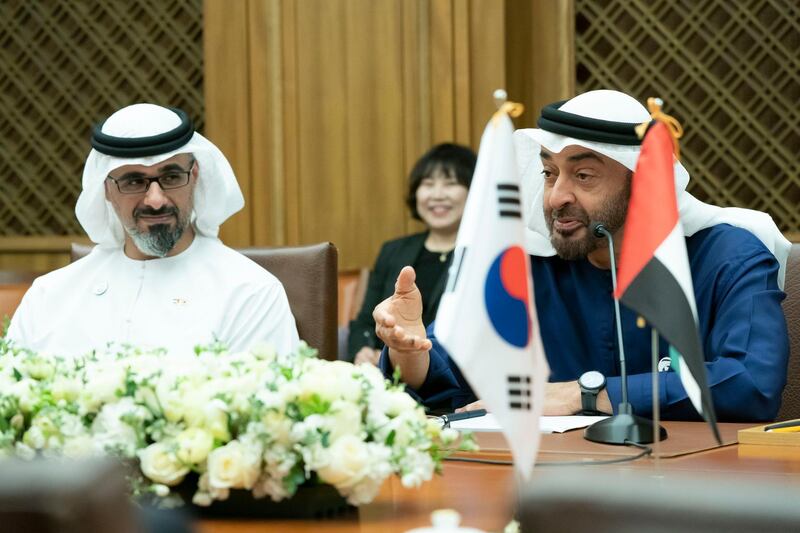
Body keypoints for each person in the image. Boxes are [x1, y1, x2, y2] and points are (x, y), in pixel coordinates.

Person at [374, 90, 790, 422]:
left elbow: (750, 383)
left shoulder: (726, 256)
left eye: (583, 175)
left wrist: (582, 393)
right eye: (549, 173)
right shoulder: (530, 266)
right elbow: (449, 376)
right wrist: (411, 352)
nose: (556, 197)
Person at [7, 104, 299, 356]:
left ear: (194, 176)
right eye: (134, 181)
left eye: (171, 176)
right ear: (106, 190)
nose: (156, 200)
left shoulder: (249, 292)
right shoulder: (50, 296)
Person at [347, 143, 477, 365]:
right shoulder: (393, 251)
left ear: (474, 191)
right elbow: (364, 323)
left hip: (451, 379)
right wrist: (364, 352)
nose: (437, 195)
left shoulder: (482, 255)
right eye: (428, 184)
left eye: (451, 184)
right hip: (387, 378)